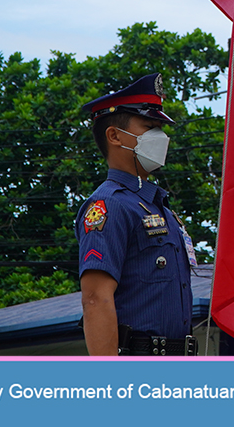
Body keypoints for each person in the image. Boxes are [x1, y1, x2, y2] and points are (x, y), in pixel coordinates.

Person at [75, 73, 198, 356]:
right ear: (114, 135)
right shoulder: (110, 205)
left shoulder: (159, 206)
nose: (161, 137)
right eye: (149, 127)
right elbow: (95, 298)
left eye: (161, 128)